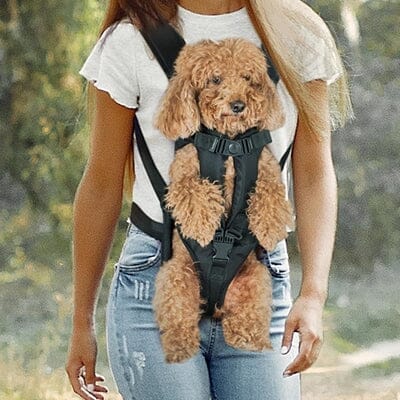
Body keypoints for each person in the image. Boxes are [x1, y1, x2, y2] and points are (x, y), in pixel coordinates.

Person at [66, 0, 353, 399]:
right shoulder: (130, 40)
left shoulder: (299, 33)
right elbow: (101, 184)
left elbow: (314, 174)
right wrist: (82, 322)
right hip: (156, 284)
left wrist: (313, 295)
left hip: (258, 281)